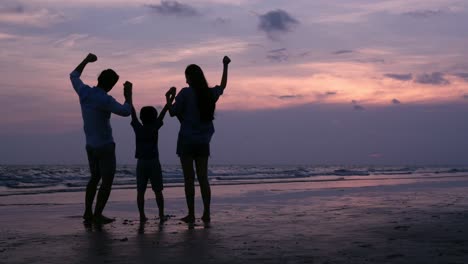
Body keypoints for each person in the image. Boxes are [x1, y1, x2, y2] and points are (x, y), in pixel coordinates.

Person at [70, 53, 133, 224]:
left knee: (94, 178)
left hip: (90, 145)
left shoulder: (85, 92)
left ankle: (87, 212)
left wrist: (86, 60)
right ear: (111, 85)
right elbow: (126, 111)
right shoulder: (105, 99)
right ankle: (97, 214)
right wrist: (128, 95)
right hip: (105, 145)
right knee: (106, 181)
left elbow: (73, 75)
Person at [168, 56, 231, 223]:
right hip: (203, 142)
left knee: (189, 179)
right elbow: (223, 86)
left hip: (187, 141)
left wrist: (169, 99)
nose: (185, 79)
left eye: (186, 75)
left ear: (190, 77)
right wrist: (225, 65)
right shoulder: (209, 93)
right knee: (203, 178)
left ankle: (191, 214)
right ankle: (207, 213)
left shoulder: (185, 93)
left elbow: (172, 112)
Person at [130, 88, 175, 224]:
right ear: (154, 117)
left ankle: (142, 215)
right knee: (158, 191)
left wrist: (129, 96)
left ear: (142, 118)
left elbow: (132, 114)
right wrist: (169, 98)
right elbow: (164, 112)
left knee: (140, 191)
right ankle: (161, 214)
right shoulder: (155, 127)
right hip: (154, 162)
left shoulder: (138, 128)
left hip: (141, 162)